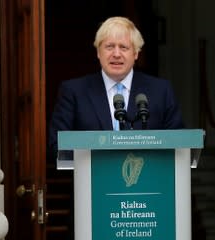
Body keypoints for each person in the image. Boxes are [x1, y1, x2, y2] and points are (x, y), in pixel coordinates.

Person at [48, 16, 185, 155]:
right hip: (94, 175)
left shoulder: (161, 91)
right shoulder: (73, 91)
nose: (116, 54)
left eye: (124, 47)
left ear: (136, 53)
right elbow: (57, 144)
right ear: (98, 52)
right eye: (109, 47)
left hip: (149, 175)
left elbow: (179, 143)